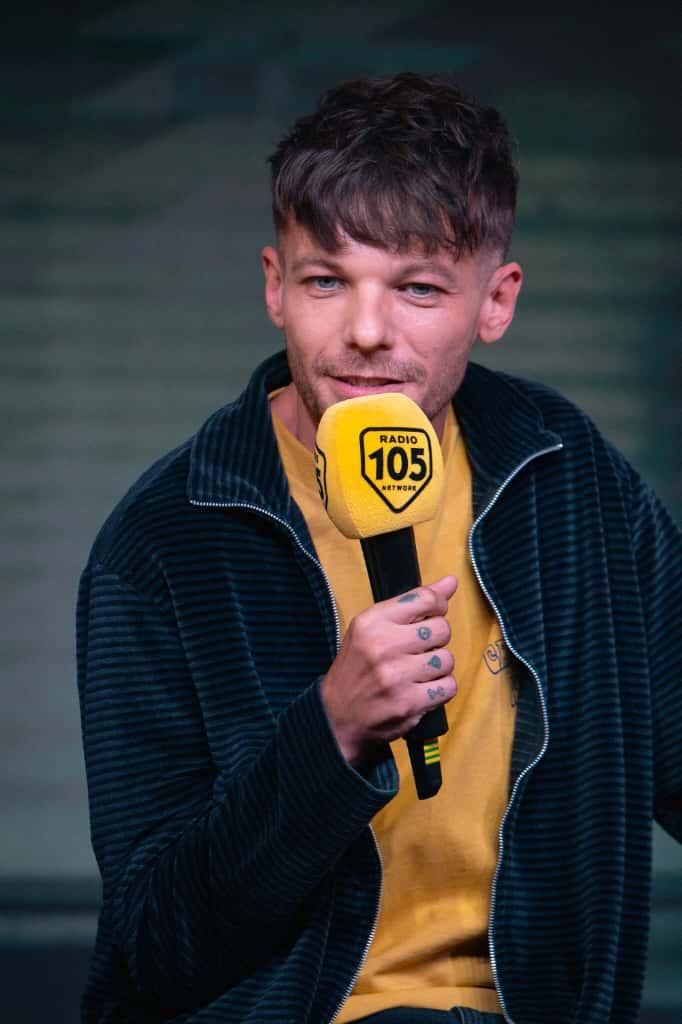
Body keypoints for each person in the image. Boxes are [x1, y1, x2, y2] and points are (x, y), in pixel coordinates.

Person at [76, 72, 681, 1024]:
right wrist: (331, 731)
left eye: (418, 288)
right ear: (275, 287)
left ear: (495, 302)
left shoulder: (571, 478)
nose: (365, 332)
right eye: (326, 281)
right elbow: (158, 944)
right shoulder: (162, 543)